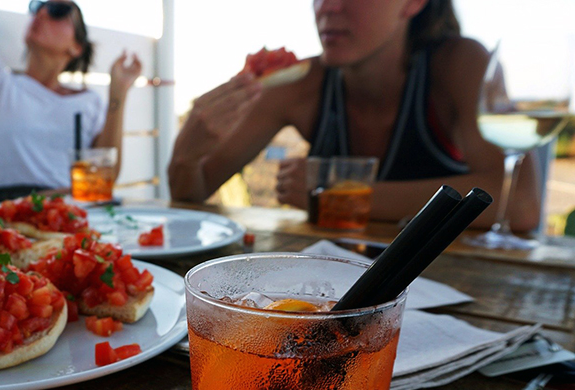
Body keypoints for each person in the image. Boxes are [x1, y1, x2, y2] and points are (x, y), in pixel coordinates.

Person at [168, 0, 541, 232]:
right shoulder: (299, 82)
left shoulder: (460, 63)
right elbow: (192, 191)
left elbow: (519, 205)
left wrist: (340, 196)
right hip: (336, 291)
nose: (328, 7)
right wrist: (185, 154)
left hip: (454, 282)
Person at [0, 0, 142, 201]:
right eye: (36, 6)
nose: (41, 13)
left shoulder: (89, 101)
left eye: (57, 11)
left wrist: (118, 93)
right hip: (10, 213)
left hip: (71, 214)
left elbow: (105, 175)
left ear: (76, 47)